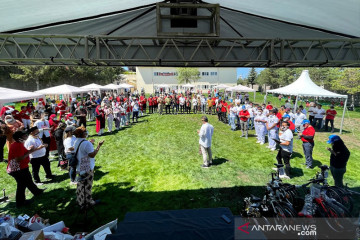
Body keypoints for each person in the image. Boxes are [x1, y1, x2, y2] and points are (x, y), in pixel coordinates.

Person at [7, 130, 44, 207]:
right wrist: (30, 151)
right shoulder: (17, 145)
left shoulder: (19, 144)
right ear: (19, 138)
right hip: (17, 169)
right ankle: (20, 203)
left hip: (21, 168)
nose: (26, 137)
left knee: (28, 180)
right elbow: (18, 159)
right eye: (24, 136)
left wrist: (29, 150)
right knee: (22, 185)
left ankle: (37, 192)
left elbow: (23, 153)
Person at [73, 127, 104, 208]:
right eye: (85, 132)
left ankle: (80, 201)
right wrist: (98, 146)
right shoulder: (86, 143)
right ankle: (88, 203)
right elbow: (92, 154)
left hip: (79, 167)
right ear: (83, 134)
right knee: (87, 186)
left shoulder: (76, 141)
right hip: (87, 168)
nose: (86, 133)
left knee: (80, 185)